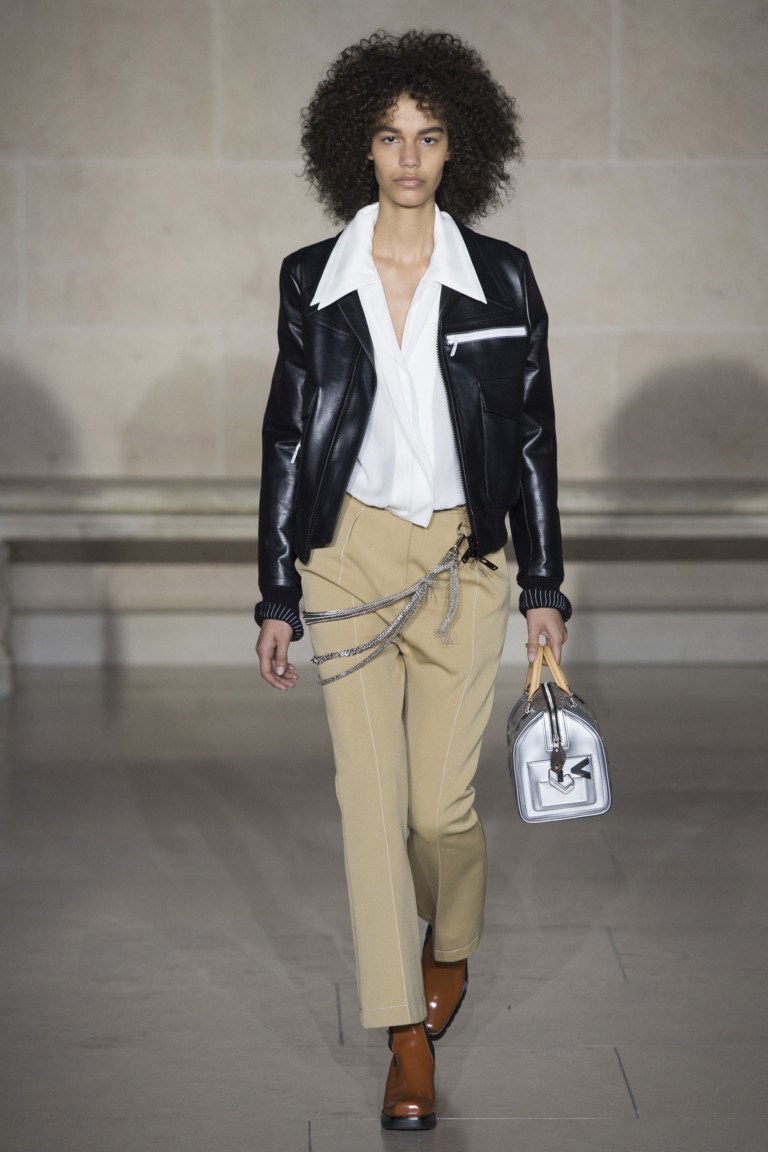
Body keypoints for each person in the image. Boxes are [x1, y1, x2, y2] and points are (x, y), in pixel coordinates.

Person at [255, 30, 570, 1131]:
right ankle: (403, 1038)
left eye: (428, 138)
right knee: (369, 806)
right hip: (347, 558)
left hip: (461, 563)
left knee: (440, 812)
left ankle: (454, 942)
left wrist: (544, 585)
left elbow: (531, 438)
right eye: (390, 136)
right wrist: (277, 593)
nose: (407, 157)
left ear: (456, 148)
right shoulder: (314, 278)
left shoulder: (501, 278)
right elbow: (288, 436)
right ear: (359, 144)